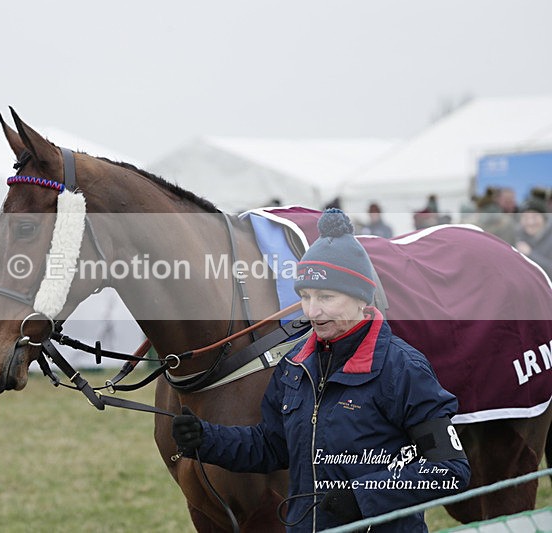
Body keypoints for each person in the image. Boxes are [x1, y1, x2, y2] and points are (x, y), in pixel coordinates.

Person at [172, 208, 470, 532]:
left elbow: (449, 469)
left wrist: (362, 496)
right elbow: (271, 446)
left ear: (361, 300)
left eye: (326, 297)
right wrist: (207, 439)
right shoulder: (294, 367)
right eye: (306, 296)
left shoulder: (403, 369)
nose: (313, 311)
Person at [515, 197, 552, 277]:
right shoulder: (517, 236)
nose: (530, 222)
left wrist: (530, 254)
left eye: (535, 217)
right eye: (525, 217)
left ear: (544, 218)